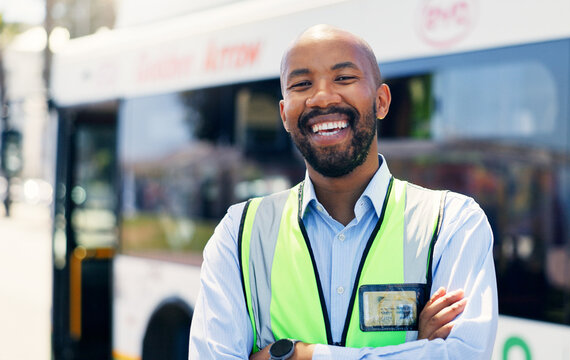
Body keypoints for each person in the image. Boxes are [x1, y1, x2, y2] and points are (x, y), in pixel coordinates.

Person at [189, 24, 498, 359]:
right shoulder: (240, 232)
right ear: (284, 114)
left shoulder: (452, 224)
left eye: (344, 78)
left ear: (381, 101)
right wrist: (414, 351)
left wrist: (301, 356)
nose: (322, 97)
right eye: (302, 84)